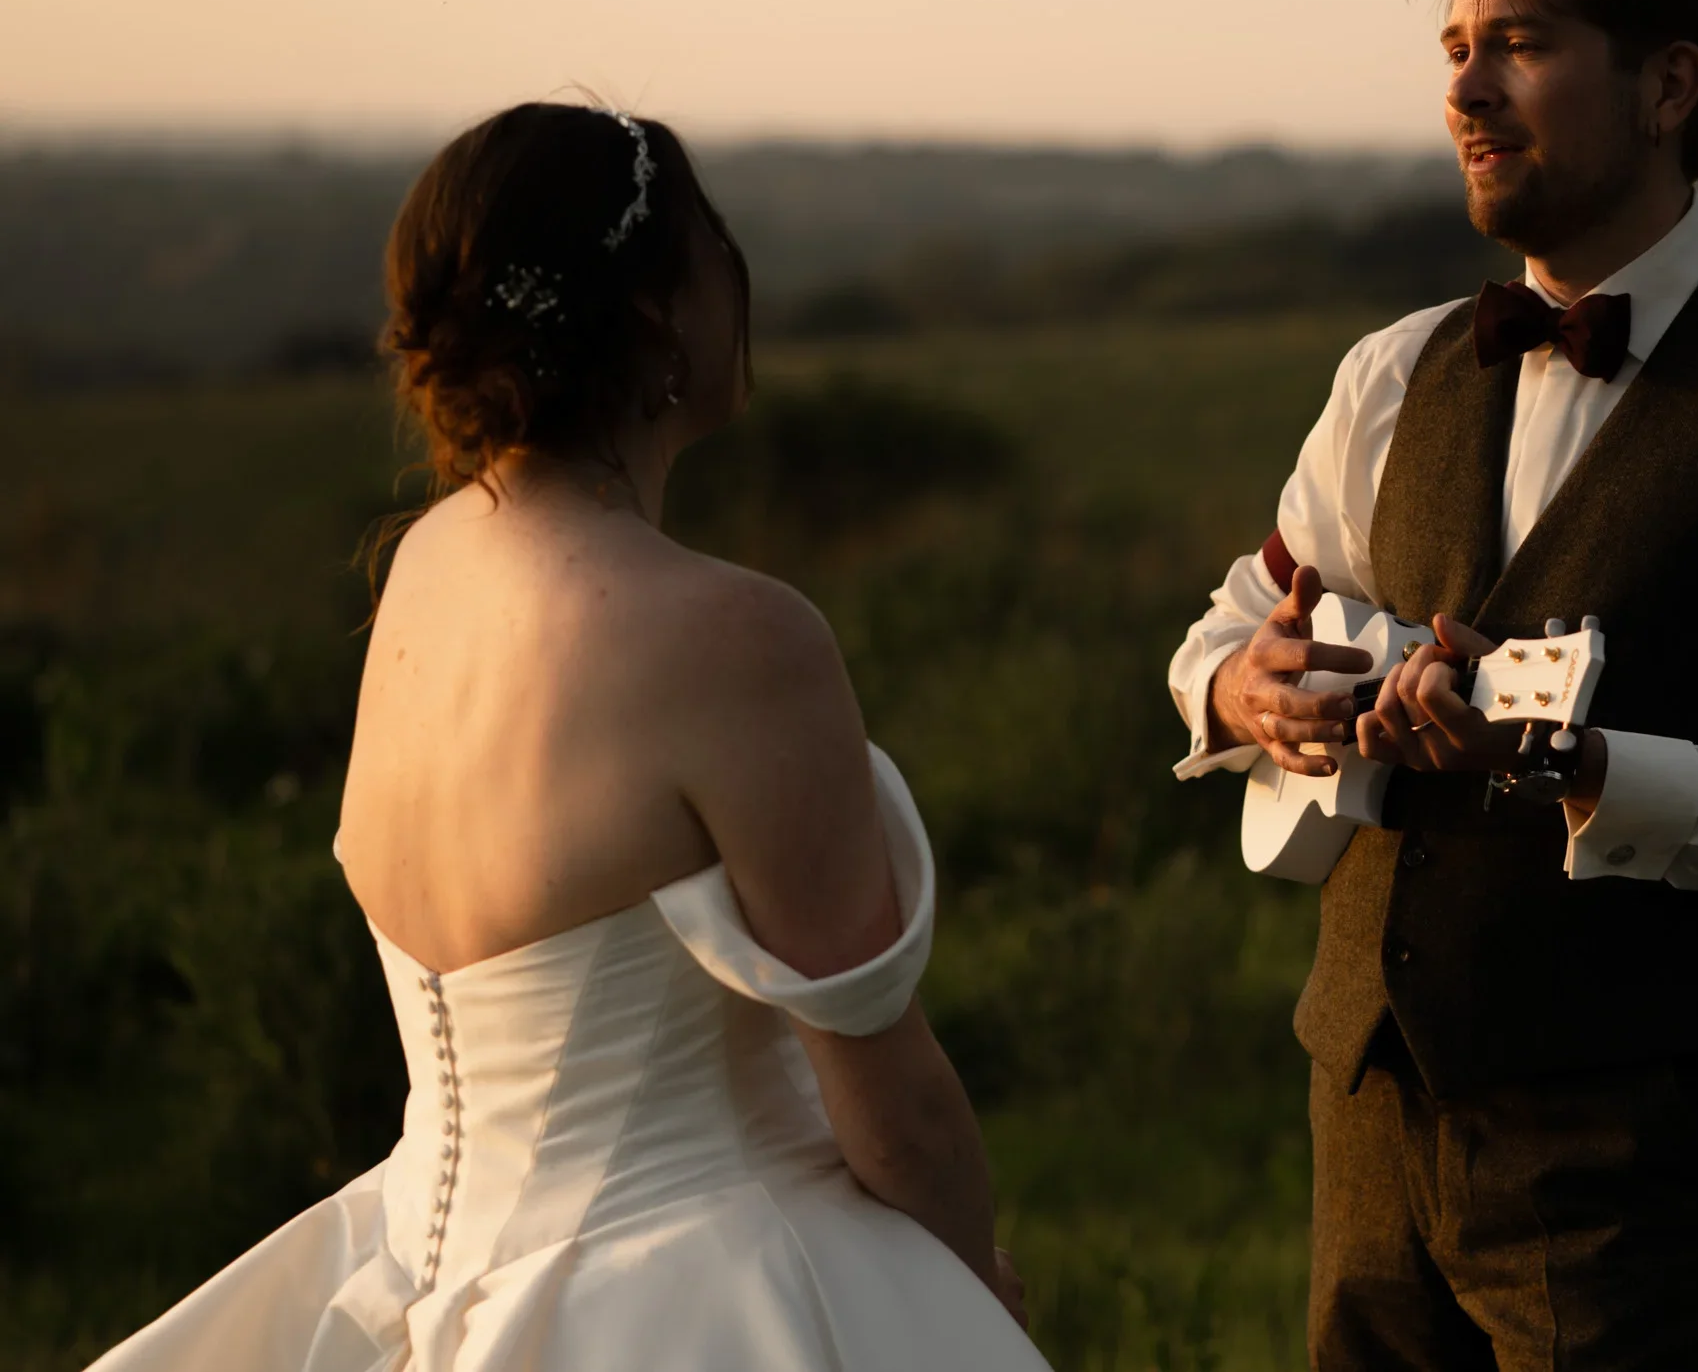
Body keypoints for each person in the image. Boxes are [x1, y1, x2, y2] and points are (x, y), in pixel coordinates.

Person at [89, 102, 1045, 1371]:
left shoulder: (422, 568)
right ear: (659, 312)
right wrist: (962, 1295)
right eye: (715, 241)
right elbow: (895, 1108)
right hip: (697, 1290)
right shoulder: (737, 638)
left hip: (418, 1263)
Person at [1166, 0, 1698, 1369]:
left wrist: (1579, 761)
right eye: (1455, 46)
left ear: (1669, 84)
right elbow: (1221, 627)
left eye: (1518, 43)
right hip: (1366, 1117)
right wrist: (1247, 693)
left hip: (1626, 1165)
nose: (1463, 85)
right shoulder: (1392, 375)